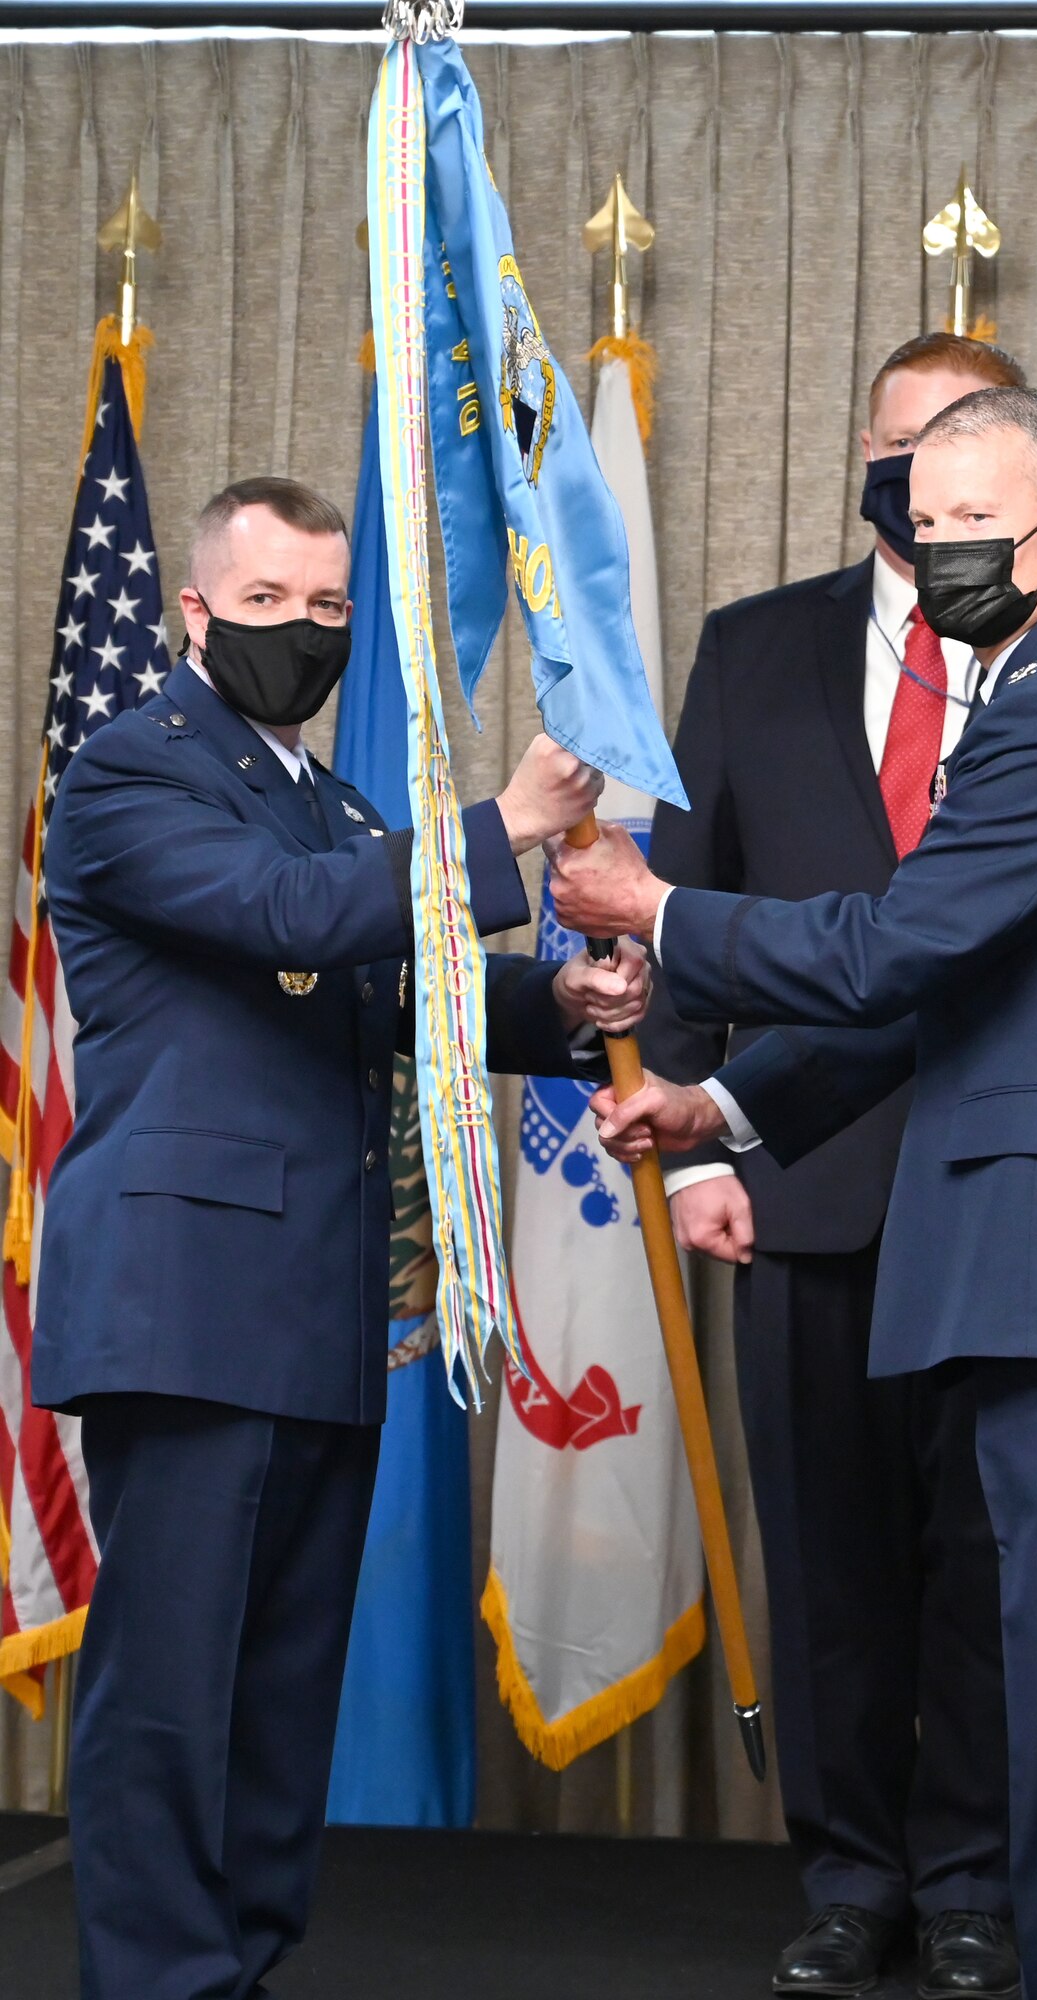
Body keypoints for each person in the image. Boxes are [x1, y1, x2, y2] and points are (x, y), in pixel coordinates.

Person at [550, 386, 1037, 2000]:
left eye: (979, 522)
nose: (943, 550)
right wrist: (723, 1099)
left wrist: (658, 907)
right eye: (924, 519)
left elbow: (894, 950)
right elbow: (960, 999)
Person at [35, 477, 649, 2000]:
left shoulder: (338, 801)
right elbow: (294, 919)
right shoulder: (128, 776)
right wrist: (505, 825)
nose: (300, 634)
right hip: (187, 1296)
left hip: (324, 1297)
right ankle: (161, 1979)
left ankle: (239, 1960)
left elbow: (394, 996)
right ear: (193, 611)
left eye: (326, 610)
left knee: (280, 1676)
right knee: (176, 1683)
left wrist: (558, 1008)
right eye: (266, 605)